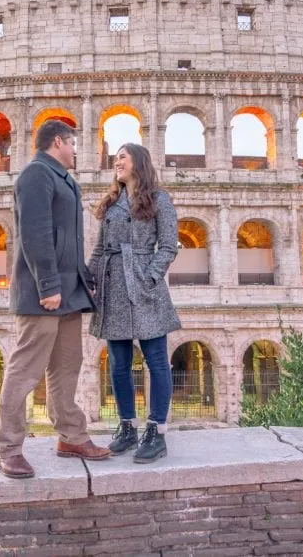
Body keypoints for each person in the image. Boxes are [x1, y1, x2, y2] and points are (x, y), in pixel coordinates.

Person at [0, 119, 112, 479]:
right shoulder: (35, 175)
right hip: (44, 294)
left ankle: (71, 436)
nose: (77, 150)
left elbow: (69, 240)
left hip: (69, 292)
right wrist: (47, 286)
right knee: (25, 370)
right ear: (57, 141)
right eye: (73, 143)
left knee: (67, 367)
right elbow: (36, 234)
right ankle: (8, 448)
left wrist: (84, 280)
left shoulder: (63, 179)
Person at [88, 143, 180, 463]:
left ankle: (156, 430)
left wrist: (150, 277)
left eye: (123, 157)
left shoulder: (159, 199)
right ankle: (127, 426)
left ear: (138, 162)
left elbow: (168, 246)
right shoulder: (112, 204)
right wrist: (89, 279)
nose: (117, 162)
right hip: (113, 284)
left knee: (155, 359)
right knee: (118, 362)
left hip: (143, 284)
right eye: (116, 159)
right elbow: (100, 249)